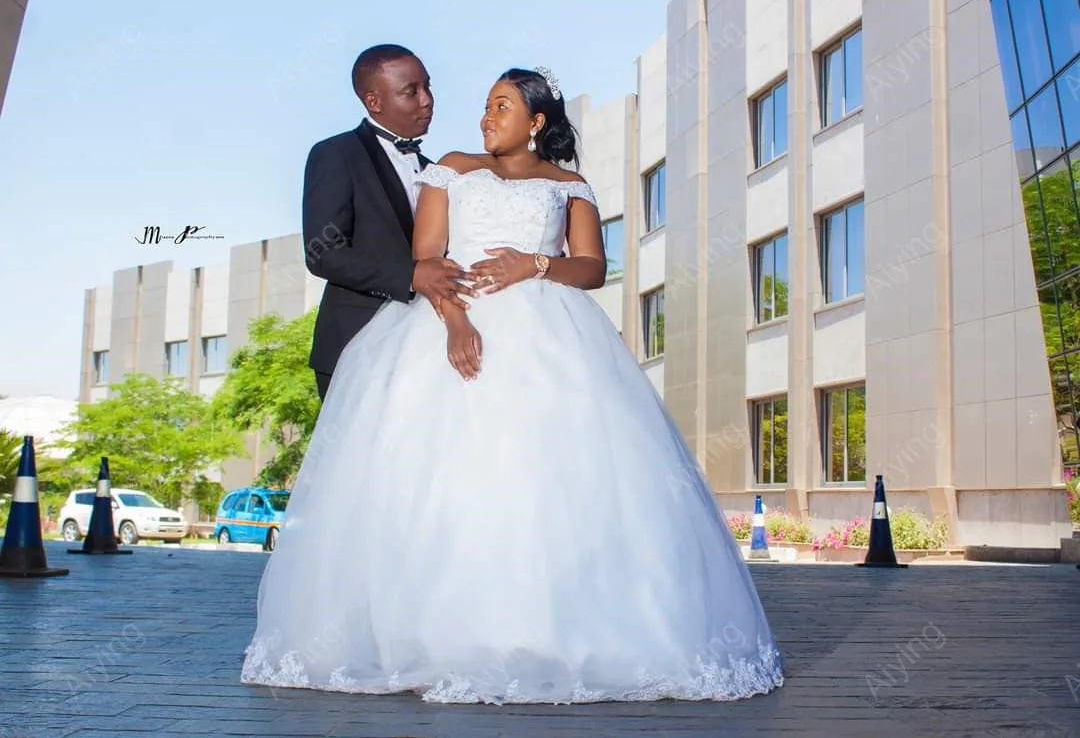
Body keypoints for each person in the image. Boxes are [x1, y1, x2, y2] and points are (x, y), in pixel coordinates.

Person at [241, 66, 785, 704]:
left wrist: (535, 264)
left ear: (536, 122)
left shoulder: (569, 184)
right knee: (447, 484)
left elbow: (591, 269)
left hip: (551, 331)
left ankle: (566, 632)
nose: (484, 117)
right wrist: (454, 324)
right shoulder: (449, 168)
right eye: (485, 106)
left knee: (550, 482)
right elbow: (429, 259)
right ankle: (435, 635)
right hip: (453, 322)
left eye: (501, 106)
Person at [302, 43, 474, 401]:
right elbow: (322, 254)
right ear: (373, 102)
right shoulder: (335, 154)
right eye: (411, 91)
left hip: (426, 344)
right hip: (354, 343)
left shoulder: (437, 173)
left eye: (428, 86)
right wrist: (409, 275)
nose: (426, 99)